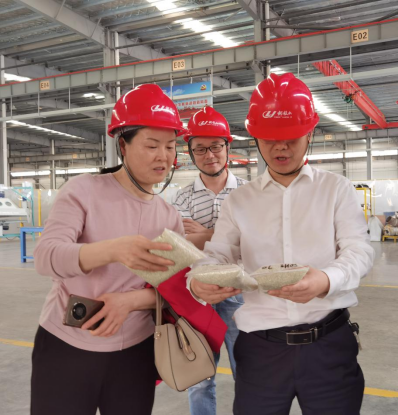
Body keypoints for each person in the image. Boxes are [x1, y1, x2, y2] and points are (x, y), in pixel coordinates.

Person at [188, 73, 374, 415]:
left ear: (310, 133)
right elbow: (216, 255)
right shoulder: (240, 201)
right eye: (270, 139)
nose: (280, 148)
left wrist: (325, 280)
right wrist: (199, 280)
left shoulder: (335, 189)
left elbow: (358, 250)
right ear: (255, 138)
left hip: (328, 345)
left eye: (291, 138)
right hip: (261, 351)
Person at [31, 84, 187, 415]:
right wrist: (113, 250)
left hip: (135, 353)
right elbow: (46, 257)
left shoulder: (169, 216)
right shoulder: (84, 191)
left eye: (171, 146)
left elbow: (174, 289)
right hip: (66, 346)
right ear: (123, 145)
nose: (163, 156)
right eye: (152, 145)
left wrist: (130, 302)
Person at [172, 105, 247, 415]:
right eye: (200, 148)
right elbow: (181, 246)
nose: (209, 154)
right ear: (191, 153)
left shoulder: (248, 193)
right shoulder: (182, 196)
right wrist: (228, 233)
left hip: (240, 291)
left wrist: (204, 233)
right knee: (199, 377)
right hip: (198, 293)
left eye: (215, 146)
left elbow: (253, 240)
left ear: (227, 147)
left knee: (248, 372)